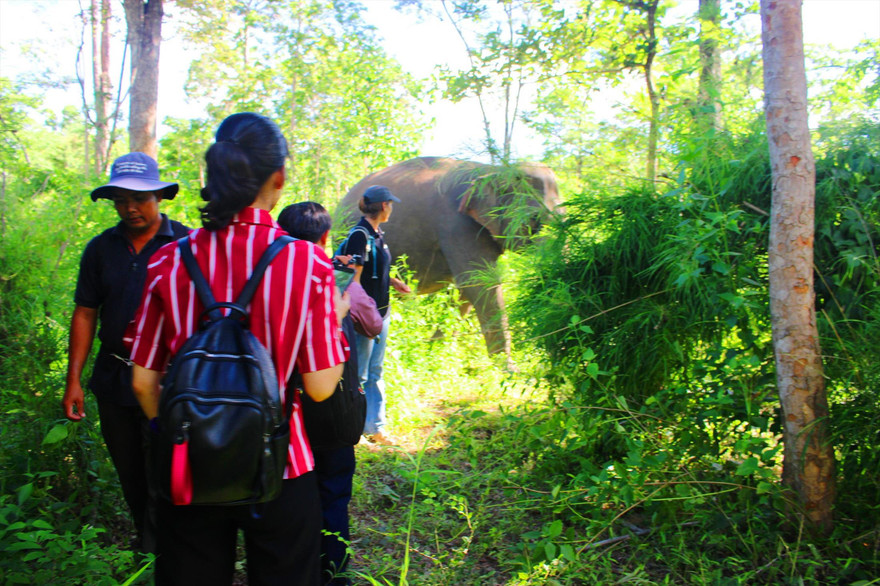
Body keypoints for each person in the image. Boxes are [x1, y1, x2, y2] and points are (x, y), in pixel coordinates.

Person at [128, 113, 347, 585]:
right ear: (279, 177)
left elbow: (144, 382)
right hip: (283, 464)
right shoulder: (307, 262)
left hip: (189, 467)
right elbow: (322, 386)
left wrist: (177, 435)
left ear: (216, 176)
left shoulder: (168, 259)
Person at [62, 152, 189, 552]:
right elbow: (85, 313)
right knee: (130, 468)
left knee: (171, 464)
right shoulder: (101, 249)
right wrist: (73, 381)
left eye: (139, 198)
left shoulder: (187, 243)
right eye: (120, 199)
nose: (130, 207)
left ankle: (177, 542)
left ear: (159, 197)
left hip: (169, 379)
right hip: (115, 375)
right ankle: (146, 542)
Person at [277, 201, 383, 585]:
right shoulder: (334, 278)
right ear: (325, 238)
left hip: (285, 413)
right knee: (334, 495)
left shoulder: (268, 280)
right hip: (334, 410)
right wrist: (351, 279)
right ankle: (335, 573)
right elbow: (372, 323)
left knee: (290, 497)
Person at [339, 185, 411, 445]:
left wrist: (393, 282)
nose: (391, 208)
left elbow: (373, 270)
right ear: (383, 205)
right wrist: (363, 314)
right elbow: (355, 280)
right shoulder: (360, 234)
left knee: (376, 370)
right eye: (391, 204)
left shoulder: (377, 234)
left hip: (381, 313)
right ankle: (354, 429)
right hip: (366, 317)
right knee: (360, 374)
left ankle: (375, 428)